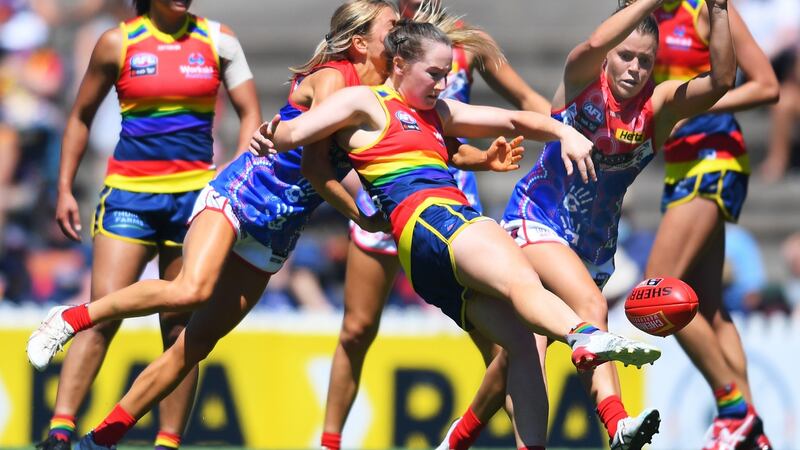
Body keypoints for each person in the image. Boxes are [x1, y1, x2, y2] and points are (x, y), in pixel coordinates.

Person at [23, 2, 484, 448]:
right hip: (240, 197)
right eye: (390, 27)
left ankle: (100, 440)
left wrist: (485, 157)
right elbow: (315, 168)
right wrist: (359, 212)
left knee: (195, 345)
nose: (400, 30)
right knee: (191, 290)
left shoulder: (387, 94)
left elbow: (430, 141)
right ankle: (69, 318)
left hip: (278, 229)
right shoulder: (333, 80)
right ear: (361, 43)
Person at [251, 14, 662, 447]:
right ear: (398, 66)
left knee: (520, 346)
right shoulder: (366, 102)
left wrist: (564, 132)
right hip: (435, 218)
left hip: (424, 259)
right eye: (433, 74)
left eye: (447, 75)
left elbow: (513, 122)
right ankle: (584, 336)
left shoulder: (437, 112)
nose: (442, 84)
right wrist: (270, 134)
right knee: (521, 278)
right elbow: (297, 130)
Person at [432, 0, 737, 448]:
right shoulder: (580, 80)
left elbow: (723, 81)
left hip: (592, 249)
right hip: (536, 221)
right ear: (610, 54)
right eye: (625, 56)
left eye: (645, 61)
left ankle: (458, 440)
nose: (634, 68)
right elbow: (595, 42)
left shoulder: (659, 106)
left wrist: (720, 9)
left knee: (522, 358)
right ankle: (617, 424)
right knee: (591, 307)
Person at [309, 1, 552, 448]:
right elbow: (365, 119)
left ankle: (467, 438)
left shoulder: (464, 40)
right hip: (393, 198)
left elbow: (523, 106)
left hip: (454, 202)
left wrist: (567, 133)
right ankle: (330, 441)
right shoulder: (386, 39)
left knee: (504, 348)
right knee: (358, 329)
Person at [33, 1, 261, 450]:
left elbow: (250, 113)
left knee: (180, 327)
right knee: (104, 312)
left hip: (196, 201)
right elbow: (80, 116)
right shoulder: (117, 42)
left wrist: (237, 169)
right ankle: (61, 432)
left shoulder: (219, 39)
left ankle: (167, 442)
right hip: (129, 195)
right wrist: (64, 189)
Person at [646, 0, 779, 447]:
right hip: (677, 168)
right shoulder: (641, 14)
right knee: (708, 310)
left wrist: (694, 109)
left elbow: (766, 86)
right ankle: (751, 428)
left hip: (715, 157)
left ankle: (733, 409)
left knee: (657, 292)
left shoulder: (705, 9)